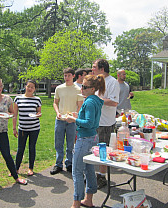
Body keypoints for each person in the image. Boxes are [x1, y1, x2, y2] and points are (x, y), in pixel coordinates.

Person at [66, 74, 105, 208]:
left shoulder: (89, 101)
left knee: (77, 171)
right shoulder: (95, 100)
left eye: (85, 87)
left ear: (93, 88)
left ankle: (76, 203)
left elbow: (88, 123)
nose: (81, 89)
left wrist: (74, 120)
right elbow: (91, 120)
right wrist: (78, 115)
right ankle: (88, 199)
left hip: (85, 139)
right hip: (93, 137)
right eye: (81, 86)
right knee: (89, 169)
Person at [92, 59, 120, 189]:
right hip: (95, 122)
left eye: (94, 67)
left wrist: (96, 100)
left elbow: (114, 102)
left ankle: (102, 176)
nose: (92, 69)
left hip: (105, 123)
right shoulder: (98, 81)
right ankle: (95, 175)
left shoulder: (113, 82)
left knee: (103, 151)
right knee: (94, 150)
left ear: (102, 69)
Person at [51, 68, 84, 175]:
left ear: (73, 76)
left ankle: (69, 163)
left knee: (70, 144)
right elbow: (55, 102)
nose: (66, 78)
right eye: (65, 76)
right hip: (60, 119)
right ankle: (58, 164)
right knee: (58, 143)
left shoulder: (78, 89)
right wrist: (57, 112)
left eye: (69, 75)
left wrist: (76, 113)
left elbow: (80, 105)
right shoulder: (59, 88)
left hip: (72, 121)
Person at [13, 80, 42, 176]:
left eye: (32, 87)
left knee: (31, 148)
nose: (30, 89)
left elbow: (38, 112)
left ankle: (30, 168)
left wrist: (38, 115)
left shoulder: (37, 99)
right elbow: (15, 114)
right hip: (22, 128)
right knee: (20, 148)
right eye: (28, 86)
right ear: (25, 86)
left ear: (35, 89)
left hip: (34, 128)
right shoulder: (18, 99)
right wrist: (14, 128)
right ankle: (16, 169)